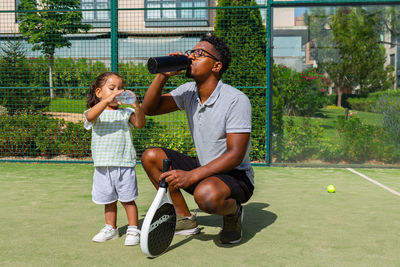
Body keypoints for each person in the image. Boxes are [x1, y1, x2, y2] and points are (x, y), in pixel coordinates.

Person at [141, 34, 254, 244]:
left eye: (199, 53)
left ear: (216, 66)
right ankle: (185, 218)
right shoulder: (188, 92)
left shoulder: (236, 100)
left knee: (206, 195)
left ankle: (233, 213)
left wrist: (192, 176)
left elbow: (236, 155)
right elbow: (149, 109)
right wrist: (163, 76)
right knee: (151, 156)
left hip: (236, 176)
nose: (191, 56)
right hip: (205, 168)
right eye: (191, 52)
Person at [83, 72, 145, 246]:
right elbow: (89, 117)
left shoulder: (126, 112)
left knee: (127, 199)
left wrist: (137, 106)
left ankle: (133, 229)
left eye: (120, 88)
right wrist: (105, 101)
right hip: (103, 166)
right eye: (112, 88)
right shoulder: (95, 113)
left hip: (124, 164)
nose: (118, 91)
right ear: (98, 92)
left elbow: (140, 124)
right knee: (108, 201)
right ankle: (111, 228)